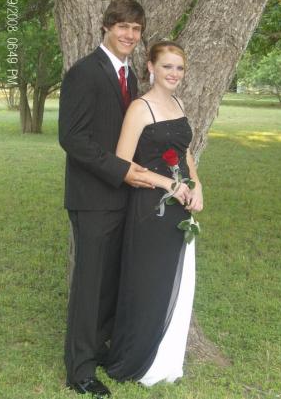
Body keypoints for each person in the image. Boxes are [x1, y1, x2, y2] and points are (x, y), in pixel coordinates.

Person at [59, 0, 153, 398]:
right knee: (90, 285)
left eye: (135, 29)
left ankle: (97, 350)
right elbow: (72, 138)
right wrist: (121, 171)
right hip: (93, 197)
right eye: (122, 27)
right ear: (105, 27)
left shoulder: (129, 76)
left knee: (109, 283)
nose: (129, 35)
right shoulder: (84, 72)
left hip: (121, 198)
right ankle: (79, 371)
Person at [105, 41, 203, 385]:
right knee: (148, 284)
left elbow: (185, 152)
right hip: (150, 209)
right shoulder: (140, 108)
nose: (174, 74)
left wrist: (197, 186)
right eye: (167, 67)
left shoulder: (178, 103)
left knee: (175, 281)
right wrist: (167, 184)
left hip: (181, 210)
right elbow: (121, 163)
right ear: (150, 67)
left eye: (179, 68)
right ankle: (139, 361)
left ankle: (166, 359)